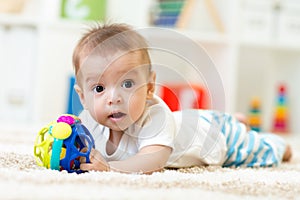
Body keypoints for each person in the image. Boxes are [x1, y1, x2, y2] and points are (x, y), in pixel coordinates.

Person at [72, 23, 292, 174]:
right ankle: (234, 120)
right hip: (188, 120)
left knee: (257, 151)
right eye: (99, 88)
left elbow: (152, 161)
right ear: (83, 97)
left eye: (127, 84)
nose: (114, 98)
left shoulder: (155, 118)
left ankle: (268, 140)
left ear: (149, 88)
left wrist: (111, 169)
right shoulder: (89, 122)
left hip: (215, 137)